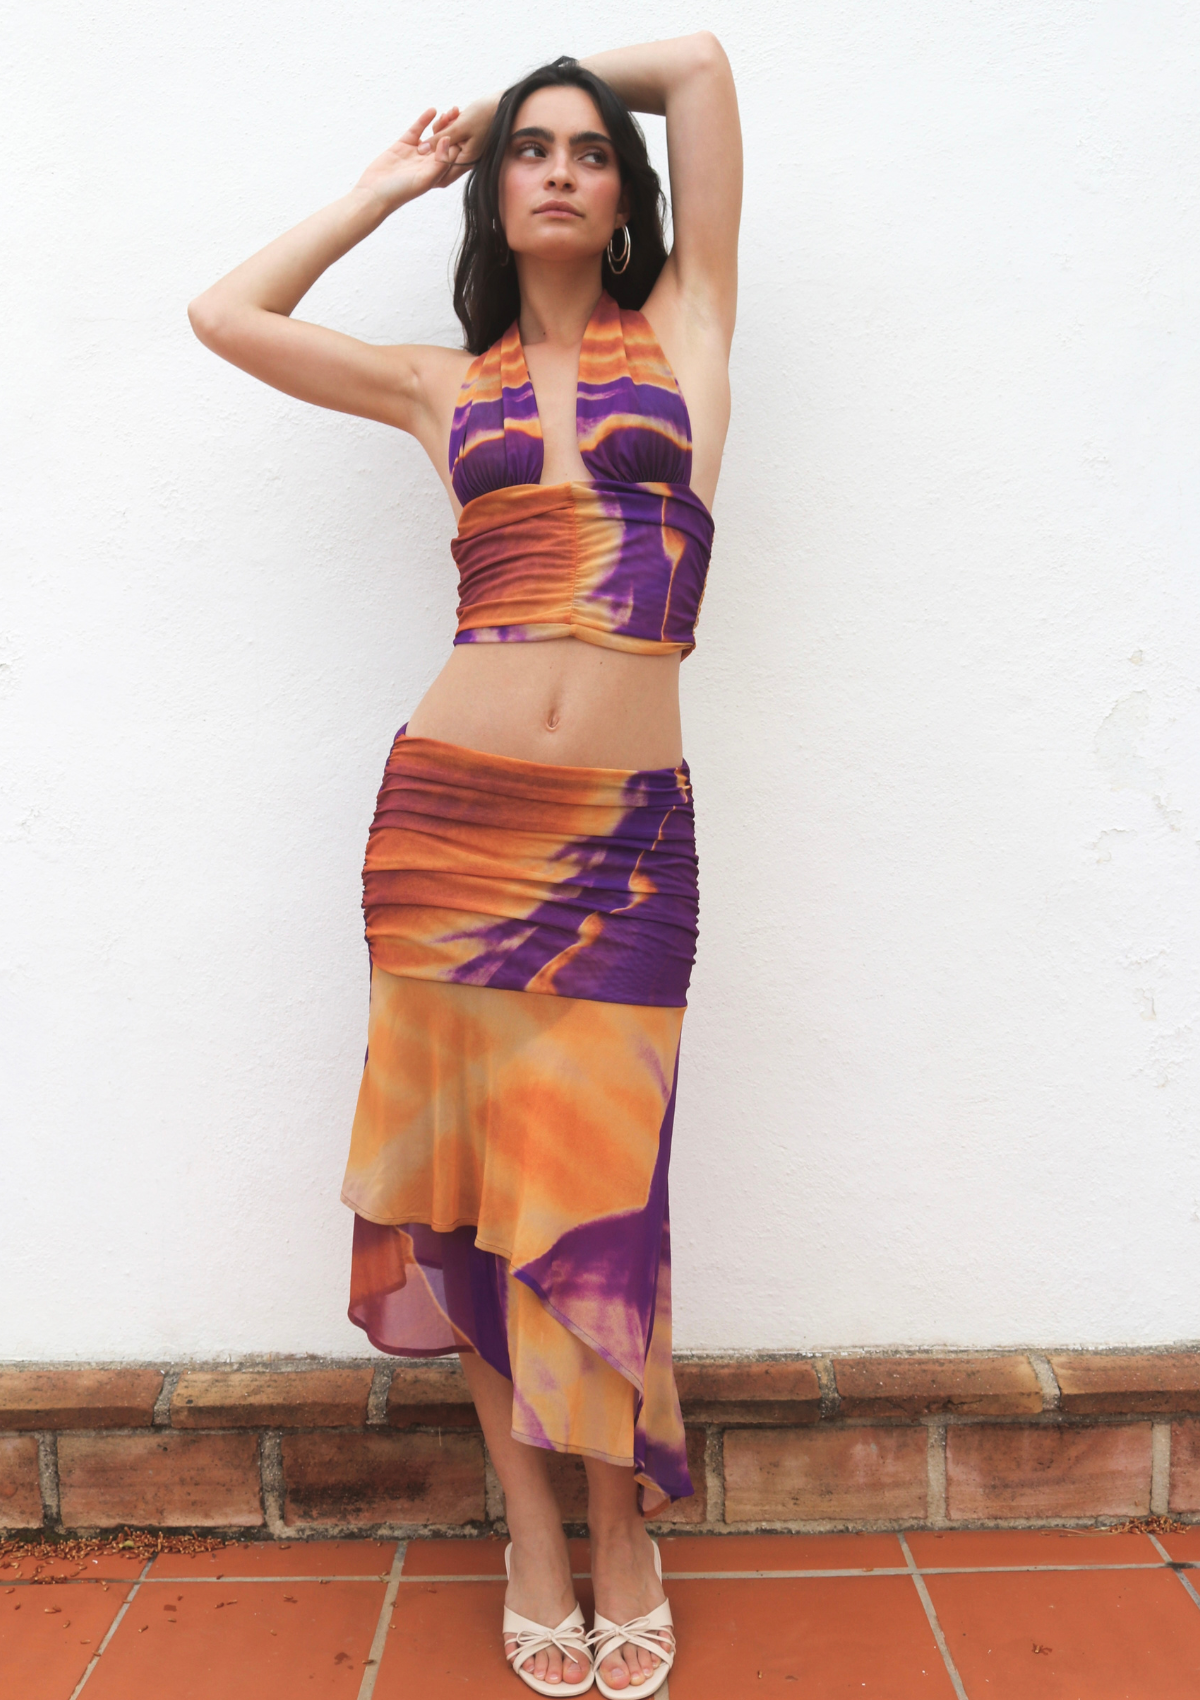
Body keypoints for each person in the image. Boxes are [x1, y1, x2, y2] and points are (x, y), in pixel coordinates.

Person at [189, 33, 740, 1694]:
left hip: (624, 848)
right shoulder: (442, 387)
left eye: (587, 149)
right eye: (531, 151)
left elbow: (700, 65)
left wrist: (526, 84)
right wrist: (392, 180)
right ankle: (534, 1538)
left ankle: (623, 1532)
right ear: (495, 195)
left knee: (601, 1203)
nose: (560, 168)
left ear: (627, 195)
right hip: (447, 834)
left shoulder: (693, 329)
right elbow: (226, 314)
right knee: (475, 1206)